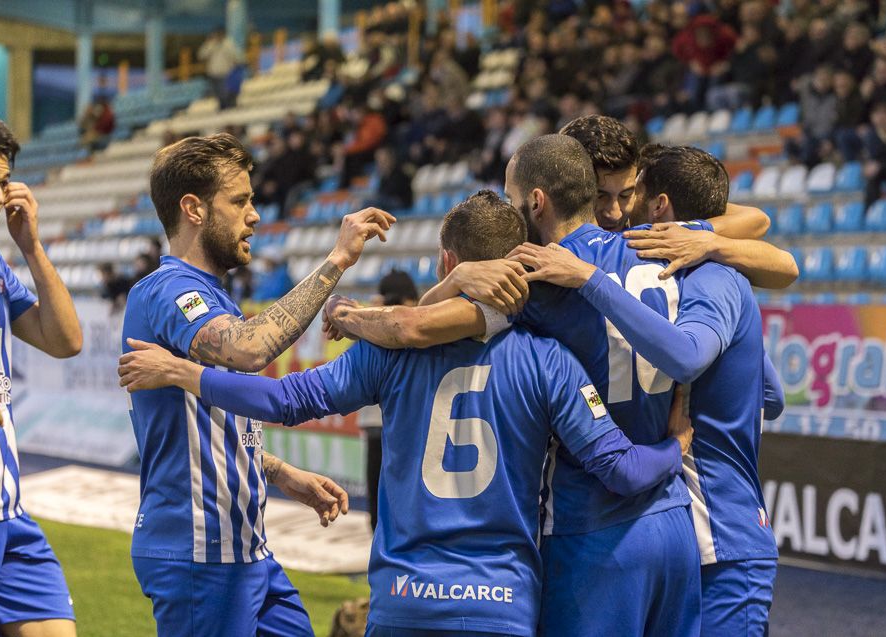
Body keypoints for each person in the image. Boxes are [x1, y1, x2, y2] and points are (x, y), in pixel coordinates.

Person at [118, 189, 695, 637]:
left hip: (404, 602)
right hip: (501, 604)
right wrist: (676, 445)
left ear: (447, 261)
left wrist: (189, 374)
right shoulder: (551, 360)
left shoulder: (386, 351)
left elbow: (281, 400)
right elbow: (621, 469)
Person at [326, 136, 706, 637]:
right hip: (678, 519)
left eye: (511, 197)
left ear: (537, 200)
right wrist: (720, 242)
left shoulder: (533, 278)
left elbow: (417, 327)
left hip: (592, 528)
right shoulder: (669, 249)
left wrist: (348, 313)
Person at [120, 132, 395, 636]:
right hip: (200, 548)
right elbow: (249, 349)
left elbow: (206, 423)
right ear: (193, 209)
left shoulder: (213, 296)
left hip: (244, 547)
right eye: (239, 201)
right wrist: (336, 259)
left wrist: (278, 471)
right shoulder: (170, 291)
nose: (255, 215)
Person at [509, 145, 784, 636]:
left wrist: (590, 278)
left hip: (703, 526)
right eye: (605, 196)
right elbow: (773, 394)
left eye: (629, 196)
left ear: (658, 205)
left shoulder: (704, 274)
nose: (617, 212)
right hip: (687, 524)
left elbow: (688, 355)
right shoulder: (694, 271)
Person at [0, 119, 83, 636]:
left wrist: (31, 248)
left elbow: (65, 340)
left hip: (8, 512)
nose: (0, 194)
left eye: (4, 180)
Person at [559, 115, 798, 289]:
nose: (615, 213)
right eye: (599, 196)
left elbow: (764, 229)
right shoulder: (545, 242)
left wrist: (702, 238)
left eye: (625, 195)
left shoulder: (659, 240)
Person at [360, 269, 419, 532]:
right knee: (378, 498)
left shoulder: (421, 325)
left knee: (403, 497)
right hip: (378, 424)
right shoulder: (370, 324)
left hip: (405, 425)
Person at [198, 27, 242, 109]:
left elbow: (235, 55)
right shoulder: (211, 44)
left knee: (224, 91)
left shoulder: (228, 43)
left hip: (225, 72)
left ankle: (228, 105)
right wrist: (210, 45)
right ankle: (223, 105)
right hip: (213, 73)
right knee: (217, 92)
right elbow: (201, 55)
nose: (218, 36)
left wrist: (237, 63)